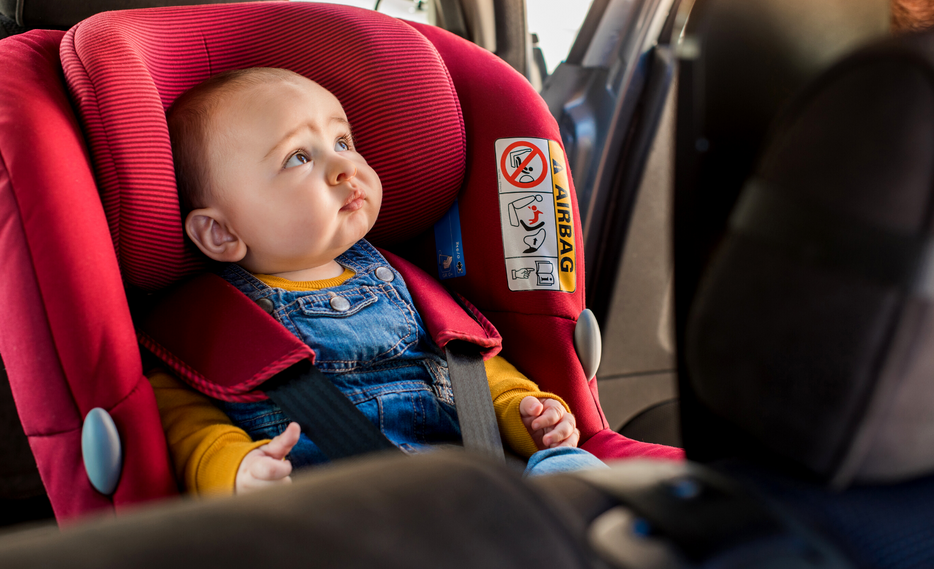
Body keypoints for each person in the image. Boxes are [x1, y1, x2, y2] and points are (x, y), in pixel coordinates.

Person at [149, 67, 604, 495]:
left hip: (466, 485)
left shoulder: (404, 281)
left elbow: (470, 366)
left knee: (570, 468)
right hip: (343, 509)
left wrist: (525, 410)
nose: (343, 166)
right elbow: (184, 423)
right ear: (221, 232)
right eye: (299, 157)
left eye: (342, 141)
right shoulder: (206, 327)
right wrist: (236, 471)